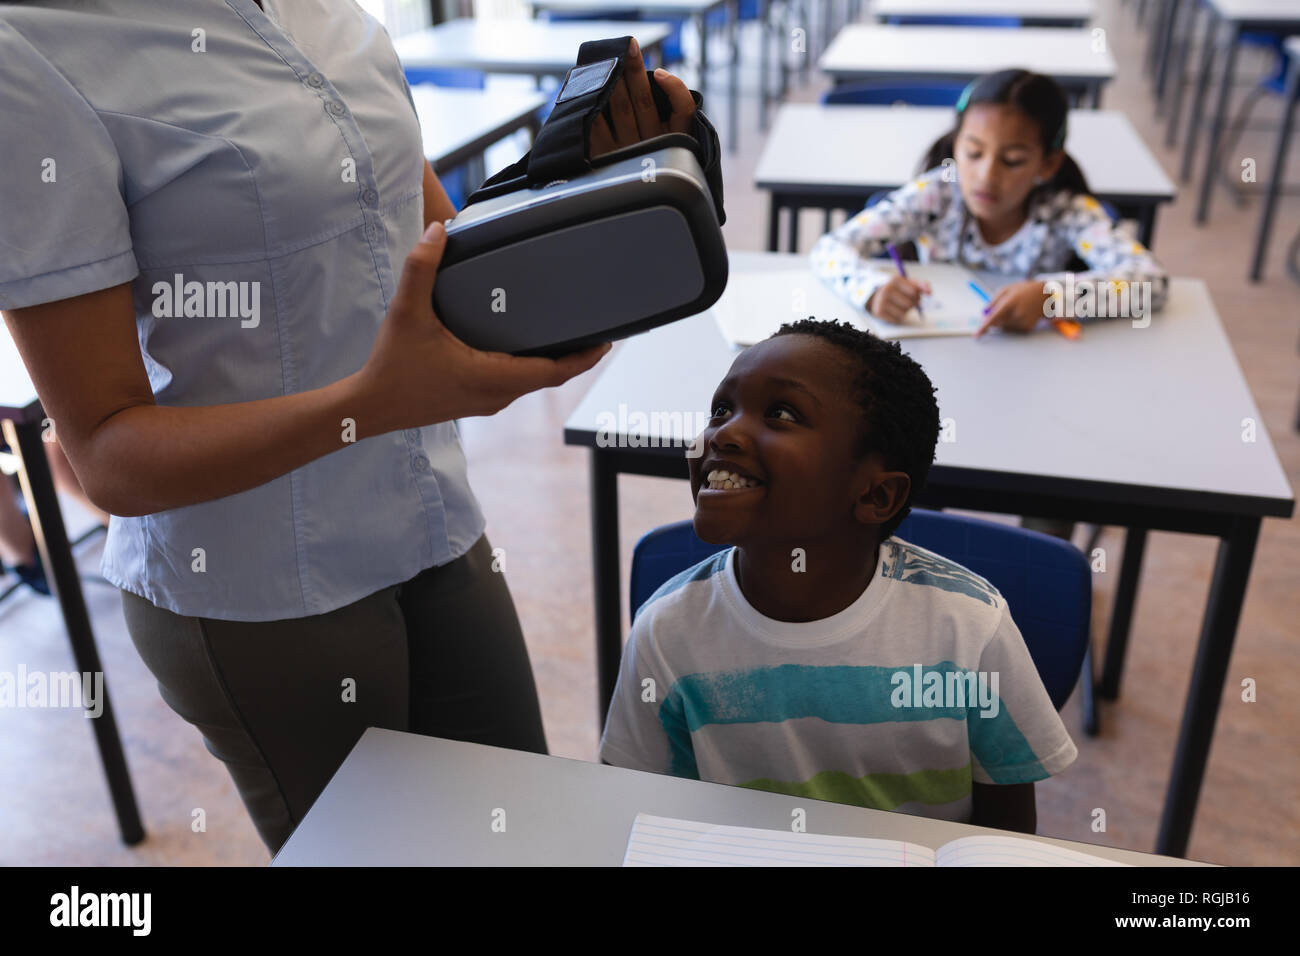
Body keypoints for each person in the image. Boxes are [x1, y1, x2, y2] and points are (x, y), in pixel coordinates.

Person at [0, 1, 709, 853]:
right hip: (259, 588)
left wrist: (574, 185)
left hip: (428, 514)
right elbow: (108, 455)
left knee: (521, 843)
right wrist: (371, 405)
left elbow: (437, 256)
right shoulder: (32, 44)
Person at [599, 320, 1077, 832]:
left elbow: (1006, 839)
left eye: (780, 413)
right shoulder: (667, 632)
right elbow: (637, 812)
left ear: (875, 496)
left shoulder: (968, 629)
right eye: (721, 408)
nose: (724, 433)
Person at [810, 69, 1169, 334]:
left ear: (1047, 163)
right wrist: (871, 290)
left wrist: (1051, 298)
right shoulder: (936, 194)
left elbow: (1151, 285)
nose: (986, 176)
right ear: (955, 147)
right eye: (973, 152)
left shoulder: (1064, 211)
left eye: (1012, 160)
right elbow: (829, 249)